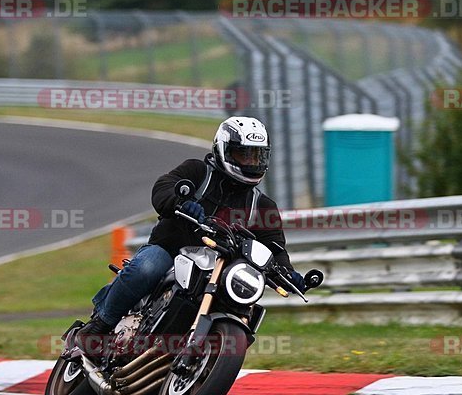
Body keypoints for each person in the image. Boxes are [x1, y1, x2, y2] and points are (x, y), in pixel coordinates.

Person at [71, 116, 306, 357]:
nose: (250, 162)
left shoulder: (262, 205)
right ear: (223, 149)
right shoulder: (197, 171)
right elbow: (163, 187)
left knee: (246, 304)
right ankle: (98, 328)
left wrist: (288, 273)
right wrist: (180, 202)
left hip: (219, 269)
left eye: (256, 156)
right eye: (242, 154)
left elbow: (273, 246)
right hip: (171, 251)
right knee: (147, 267)